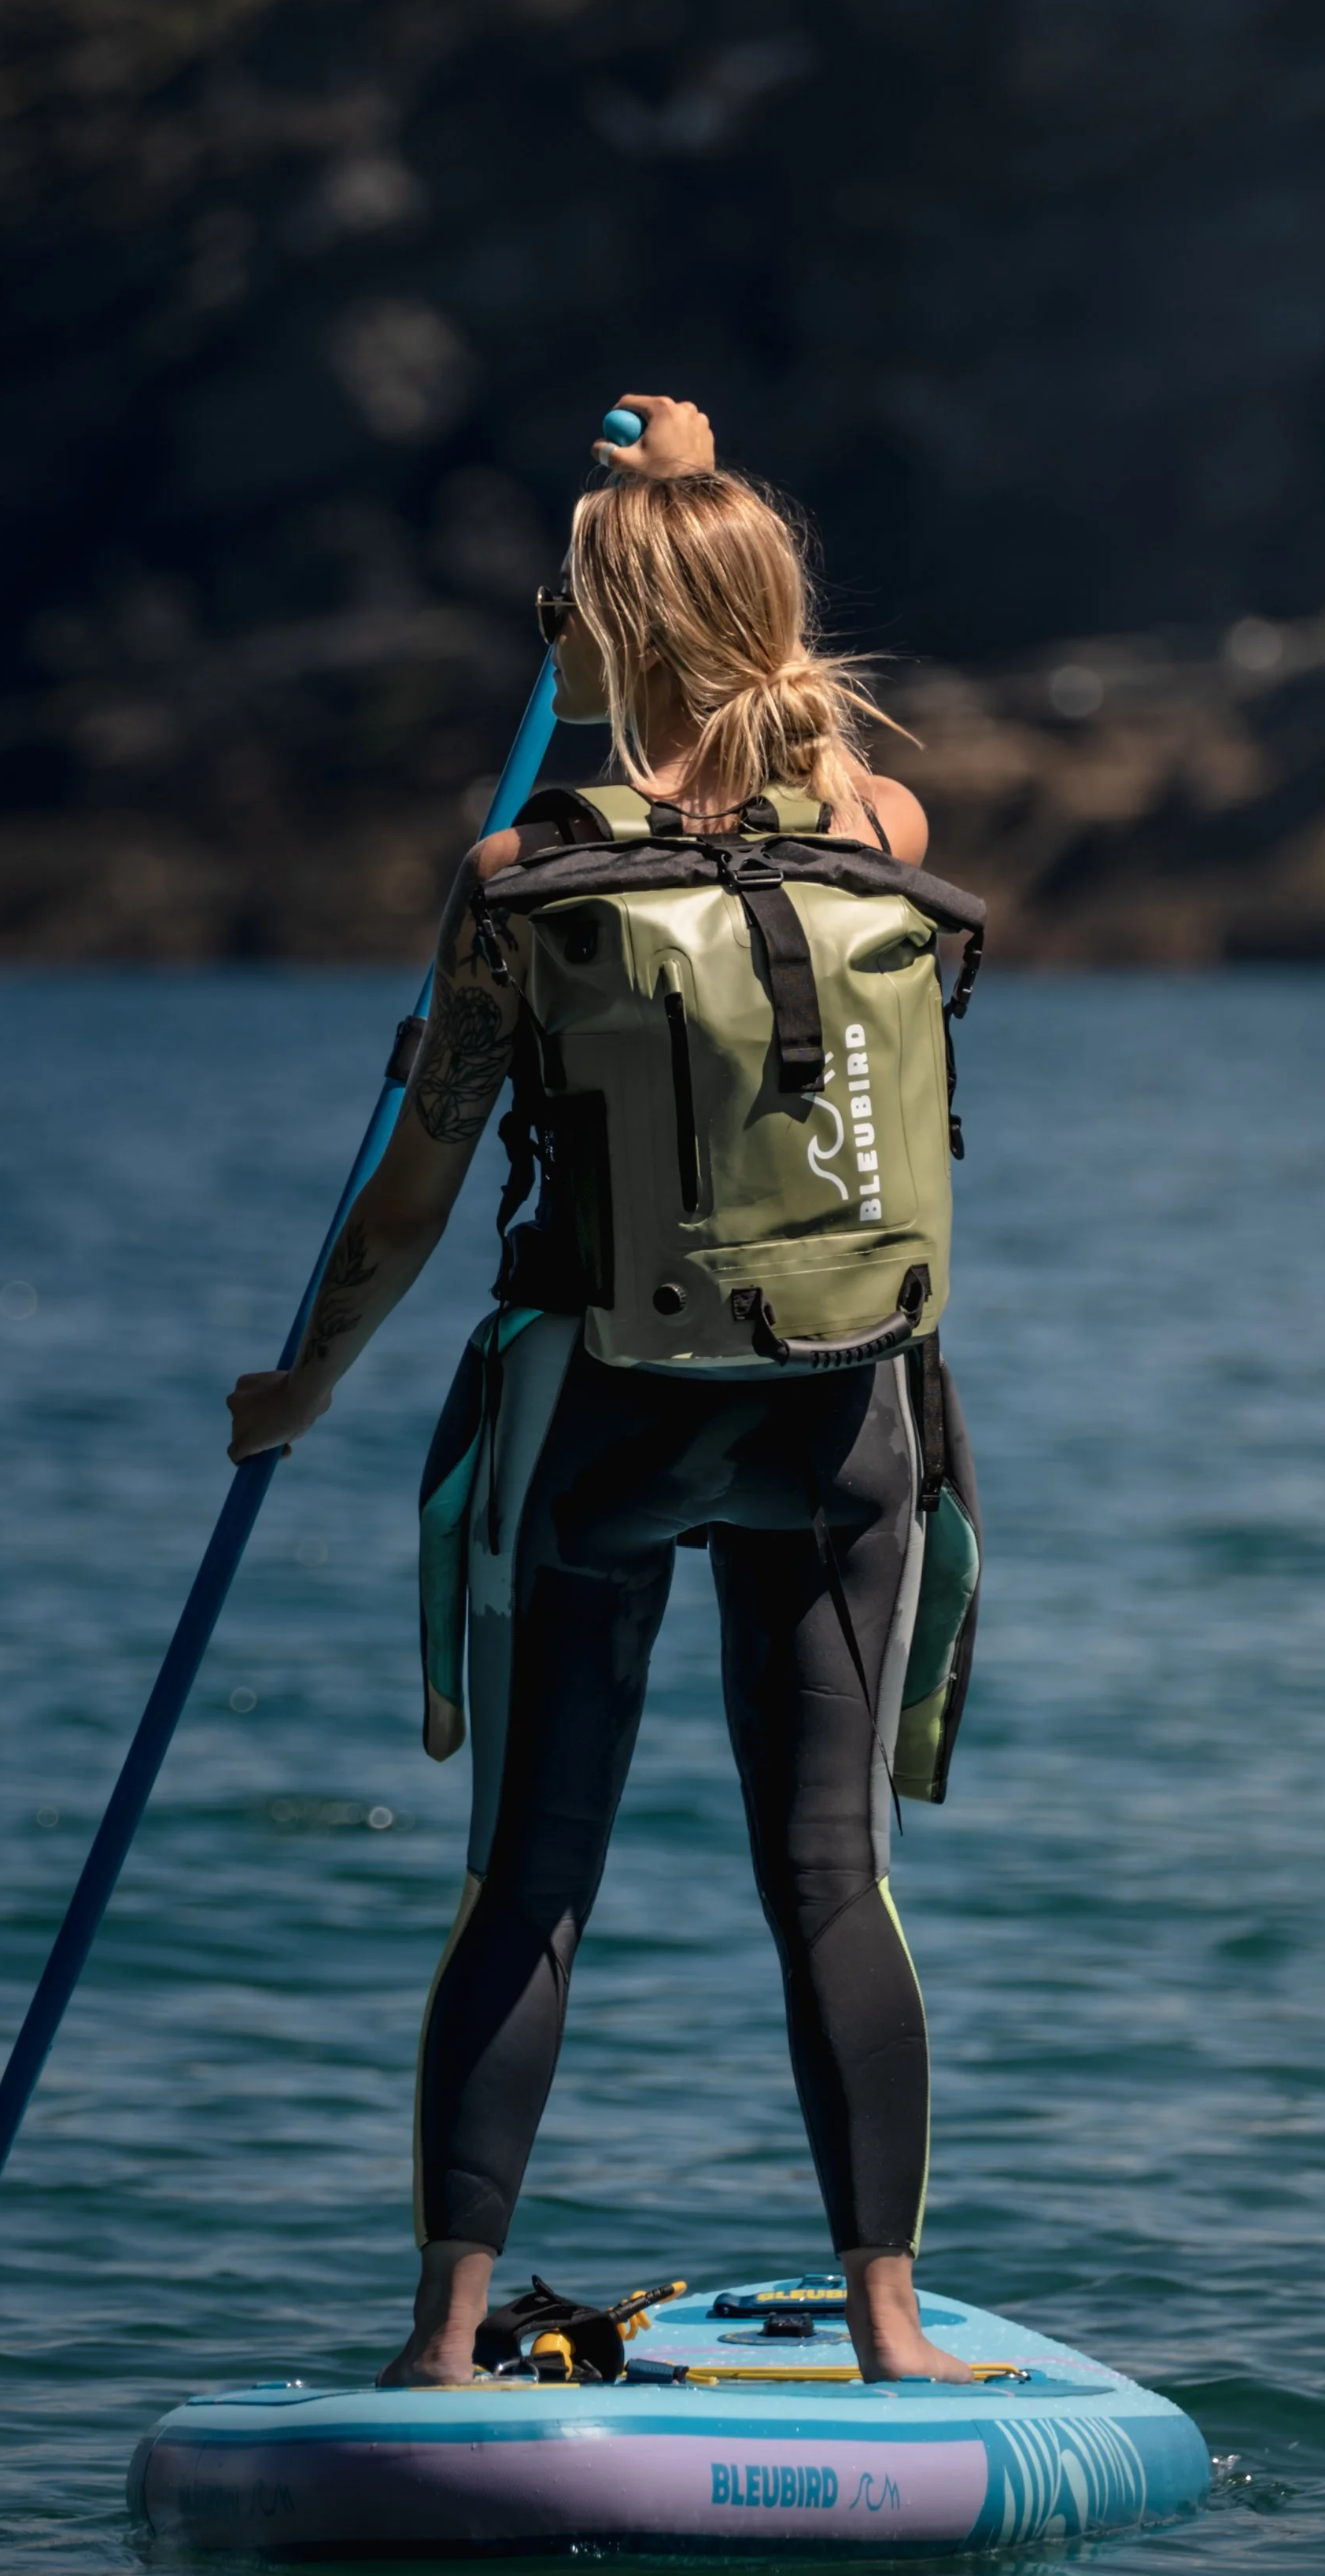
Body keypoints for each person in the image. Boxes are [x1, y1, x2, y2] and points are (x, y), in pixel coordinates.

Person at [227, 394, 977, 2388]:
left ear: (592, 631)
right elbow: (785, 745)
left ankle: (444, 2342)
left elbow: (415, 1182)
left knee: (531, 1882)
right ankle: (890, 2335)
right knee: (830, 1878)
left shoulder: (517, 878)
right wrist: (686, 510)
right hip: (846, 1415)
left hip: (606, 1414)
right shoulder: (878, 837)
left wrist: (301, 1387)